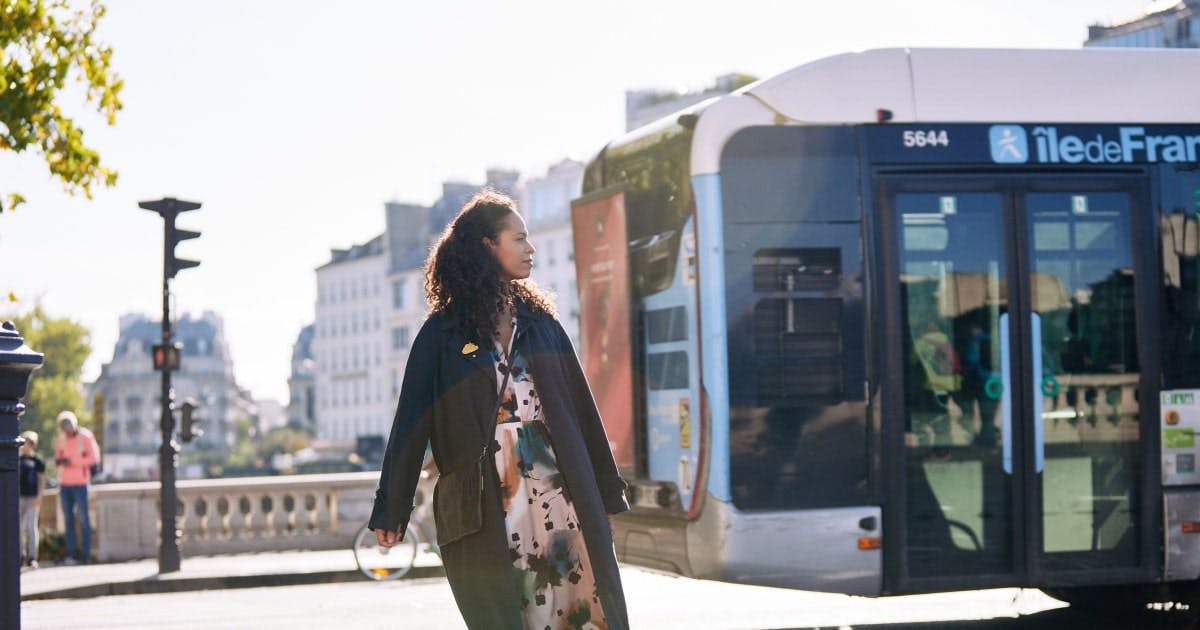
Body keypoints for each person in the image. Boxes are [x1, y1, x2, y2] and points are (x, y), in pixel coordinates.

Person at [369, 191, 630, 629]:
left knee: (575, 609)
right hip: (485, 499)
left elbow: (583, 414)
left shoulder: (542, 324)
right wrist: (391, 509)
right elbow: (411, 426)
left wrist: (605, 492)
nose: (531, 249)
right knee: (510, 612)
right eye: (519, 238)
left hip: (557, 488)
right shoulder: (442, 334)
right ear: (488, 245)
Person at [54, 410, 100, 564]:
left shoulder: (85, 436)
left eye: (68, 424)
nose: (66, 428)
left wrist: (72, 462)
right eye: (63, 426)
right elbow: (57, 459)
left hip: (81, 483)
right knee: (68, 521)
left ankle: (85, 555)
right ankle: (70, 554)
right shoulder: (61, 439)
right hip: (65, 483)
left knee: (84, 519)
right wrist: (61, 461)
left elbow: (94, 458)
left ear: (73, 423)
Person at [18, 430, 46, 569]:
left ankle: (32, 556)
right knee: (19, 528)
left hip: (32, 497)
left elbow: (42, 481)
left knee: (31, 527)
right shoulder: (17, 459)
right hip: (19, 496)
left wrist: (39, 497)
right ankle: (20, 555)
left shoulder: (38, 461)